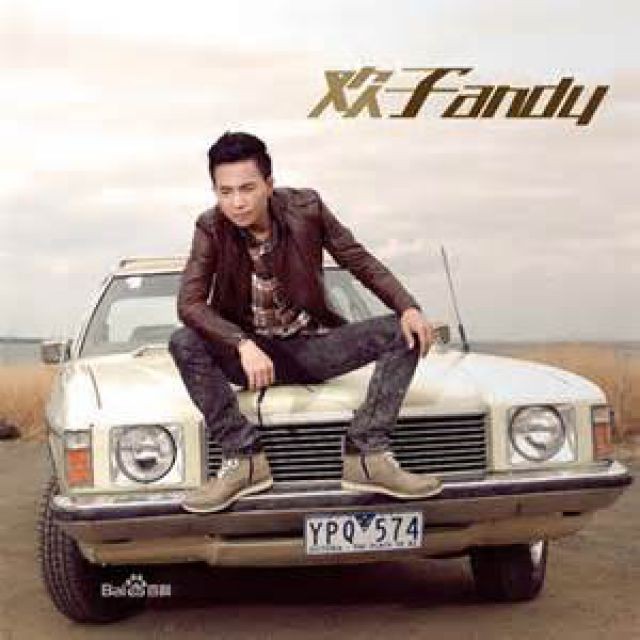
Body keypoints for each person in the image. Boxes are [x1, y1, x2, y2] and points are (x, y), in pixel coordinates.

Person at [168, 131, 442, 514]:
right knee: (183, 340)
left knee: (403, 330)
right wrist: (241, 343)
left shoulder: (306, 208)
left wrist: (407, 306)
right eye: (225, 192)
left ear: (269, 184)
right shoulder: (210, 227)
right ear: (215, 191)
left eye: (247, 188)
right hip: (249, 358)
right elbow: (190, 304)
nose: (237, 202)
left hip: (311, 349)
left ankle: (367, 454)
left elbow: (358, 260)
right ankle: (243, 459)